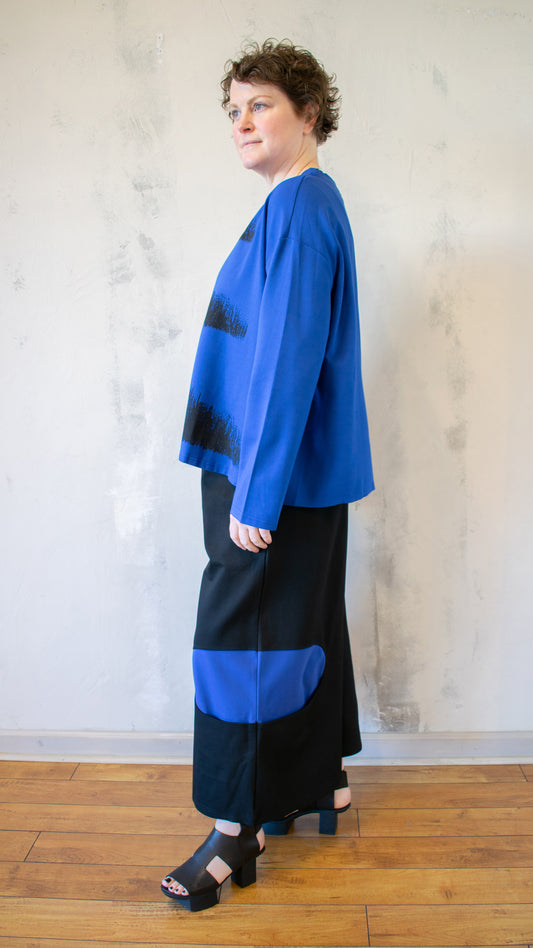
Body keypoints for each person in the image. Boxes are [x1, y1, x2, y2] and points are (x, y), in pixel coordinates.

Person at [161, 38, 374, 912]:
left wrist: (256, 492)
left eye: (261, 106)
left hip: (267, 475)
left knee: (241, 640)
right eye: (234, 110)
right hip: (289, 470)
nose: (242, 123)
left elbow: (287, 355)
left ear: (308, 113)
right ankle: (320, 782)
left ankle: (234, 830)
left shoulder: (298, 206)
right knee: (300, 619)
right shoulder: (306, 204)